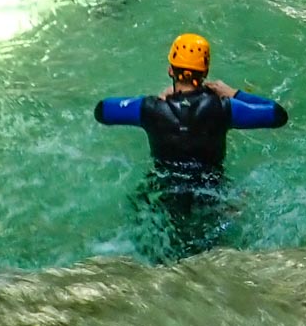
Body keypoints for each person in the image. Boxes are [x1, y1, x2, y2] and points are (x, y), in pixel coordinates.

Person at [94, 33, 290, 258]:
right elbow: (278, 114)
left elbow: (102, 111)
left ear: (171, 70)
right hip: (210, 190)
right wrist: (235, 93)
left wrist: (151, 100)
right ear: (205, 73)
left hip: (162, 190)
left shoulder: (149, 109)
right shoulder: (224, 108)